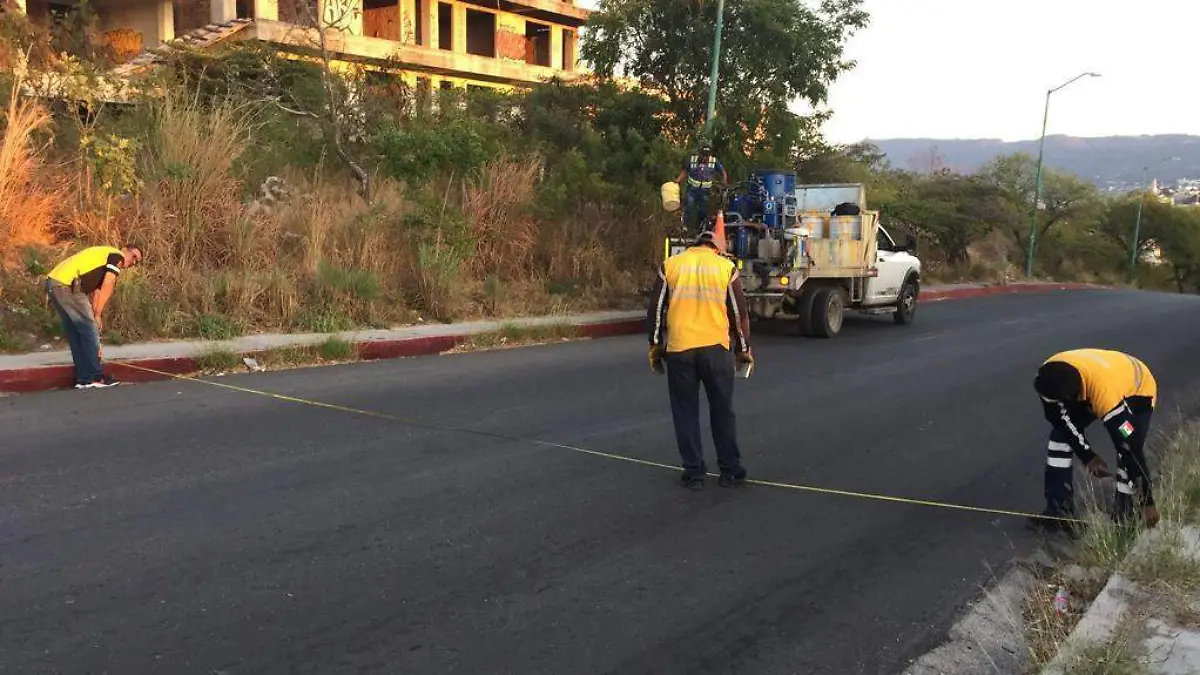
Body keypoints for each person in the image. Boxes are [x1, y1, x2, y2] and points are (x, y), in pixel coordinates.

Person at [647, 228, 753, 490]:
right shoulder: (725, 267)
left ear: (694, 245)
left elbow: (656, 310)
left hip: (680, 349)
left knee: (685, 412)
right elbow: (738, 314)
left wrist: (656, 346)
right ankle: (730, 470)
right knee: (722, 410)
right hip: (716, 349)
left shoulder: (671, 265)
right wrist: (743, 349)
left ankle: (694, 473)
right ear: (716, 247)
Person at [1030, 349, 1160, 530]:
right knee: (1060, 438)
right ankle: (1059, 512)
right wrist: (1088, 457)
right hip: (1095, 379)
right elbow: (1061, 422)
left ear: (1073, 397)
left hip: (1137, 391)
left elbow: (1129, 446)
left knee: (1126, 447)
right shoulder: (1046, 378)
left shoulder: (1104, 395)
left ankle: (1125, 514)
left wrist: (1147, 500)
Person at [45, 244, 143, 389]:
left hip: (54, 283)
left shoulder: (102, 259)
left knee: (76, 333)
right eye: (133, 256)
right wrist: (95, 317)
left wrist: (98, 315)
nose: (133, 262)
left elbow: (98, 291)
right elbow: (108, 284)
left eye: (137, 262)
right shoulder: (116, 256)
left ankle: (83, 378)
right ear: (124, 249)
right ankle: (94, 376)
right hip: (68, 285)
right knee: (89, 330)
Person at [675, 141, 728, 234]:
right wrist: (677, 181)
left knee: (703, 210)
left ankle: (699, 229)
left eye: (707, 156)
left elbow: (723, 173)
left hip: (705, 191)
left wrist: (724, 183)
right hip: (692, 190)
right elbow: (685, 171)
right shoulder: (692, 160)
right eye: (703, 155)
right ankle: (685, 226)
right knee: (690, 205)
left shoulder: (714, 161)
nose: (705, 158)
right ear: (699, 153)